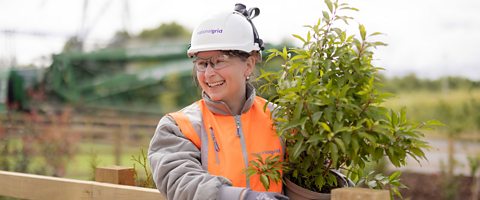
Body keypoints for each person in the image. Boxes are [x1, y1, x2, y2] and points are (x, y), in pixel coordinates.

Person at [148, 3, 289, 200]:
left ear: (248, 65)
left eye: (219, 61)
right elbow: (181, 182)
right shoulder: (179, 127)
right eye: (202, 64)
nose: (208, 73)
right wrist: (244, 198)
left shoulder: (280, 119)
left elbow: (312, 175)